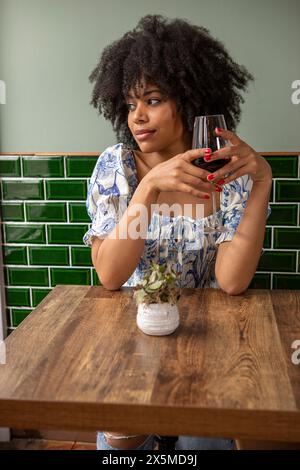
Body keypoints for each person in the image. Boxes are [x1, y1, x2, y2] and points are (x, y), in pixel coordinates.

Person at [83, 14, 273, 450]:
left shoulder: (226, 169)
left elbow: (232, 281)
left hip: (208, 345)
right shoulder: (117, 167)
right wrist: (148, 188)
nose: (138, 117)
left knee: (204, 444)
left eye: (152, 100)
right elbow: (111, 275)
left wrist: (263, 181)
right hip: (131, 339)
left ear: (189, 101)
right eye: (131, 105)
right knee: (120, 446)